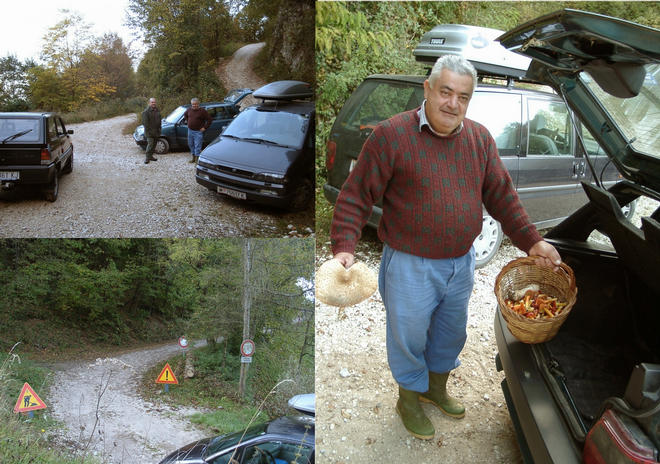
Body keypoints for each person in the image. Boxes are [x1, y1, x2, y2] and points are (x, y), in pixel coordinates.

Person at [329, 55, 561, 440]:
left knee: (450, 333)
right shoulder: (392, 135)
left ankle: (436, 389)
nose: (453, 103)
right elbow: (355, 196)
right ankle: (408, 398)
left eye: (463, 97)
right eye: (446, 92)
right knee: (409, 337)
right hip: (409, 263)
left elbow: (503, 197)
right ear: (428, 89)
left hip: (460, 262)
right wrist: (344, 246)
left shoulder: (479, 139)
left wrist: (532, 241)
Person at [183, 97, 212, 163]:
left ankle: (197, 159)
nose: (194, 105)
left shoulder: (202, 111)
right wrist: (188, 121)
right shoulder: (189, 110)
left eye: (196, 104)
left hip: (198, 132)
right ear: (191, 104)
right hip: (190, 130)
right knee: (190, 144)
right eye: (193, 104)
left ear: (198, 104)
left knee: (197, 145)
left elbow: (210, 119)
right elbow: (185, 115)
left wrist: (204, 127)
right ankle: (193, 157)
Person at [142, 97, 161, 164]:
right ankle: (147, 158)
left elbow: (159, 120)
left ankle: (151, 156)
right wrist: (149, 132)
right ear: (149, 103)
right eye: (152, 102)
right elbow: (145, 124)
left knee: (154, 145)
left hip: (156, 132)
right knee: (150, 145)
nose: (153, 103)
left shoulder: (157, 110)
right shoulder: (146, 112)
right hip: (149, 133)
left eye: (154, 102)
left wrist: (159, 129)